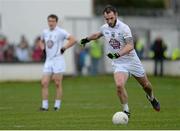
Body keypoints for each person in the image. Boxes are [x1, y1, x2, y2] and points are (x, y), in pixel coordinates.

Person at [80, 5, 160, 117]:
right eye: (107, 19)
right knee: (119, 85)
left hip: (132, 61)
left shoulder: (124, 28)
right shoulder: (105, 28)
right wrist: (86, 39)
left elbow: (130, 46)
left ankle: (151, 97)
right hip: (119, 63)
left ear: (116, 15)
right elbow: (98, 35)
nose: (109, 21)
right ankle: (126, 111)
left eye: (111, 18)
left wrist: (117, 54)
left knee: (146, 86)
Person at [39, 14, 76, 111]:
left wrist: (64, 48)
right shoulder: (45, 32)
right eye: (49, 21)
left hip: (58, 60)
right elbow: (41, 41)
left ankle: (57, 106)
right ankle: (44, 106)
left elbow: (73, 39)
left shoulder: (61, 32)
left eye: (53, 21)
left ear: (56, 22)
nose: (51, 23)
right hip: (48, 60)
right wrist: (42, 48)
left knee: (57, 83)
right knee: (44, 83)